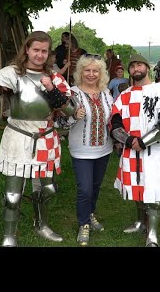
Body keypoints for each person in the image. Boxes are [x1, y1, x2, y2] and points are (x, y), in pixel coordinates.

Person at [0, 31, 73, 247]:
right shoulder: (13, 73)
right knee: (13, 195)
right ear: (27, 50)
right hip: (18, 137)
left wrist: (50, 88)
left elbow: (70, 110)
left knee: (48, 189)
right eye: (35, 49)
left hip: (46, 137)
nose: (39, 55)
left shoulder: (55, 77)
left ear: (49, 54)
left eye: (44, 51)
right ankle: (9, 236)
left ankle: (41, 224)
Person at [110, 54, 160, 247]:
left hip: (158, 152)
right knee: (137, 187)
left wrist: (144, 142)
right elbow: (115, 123)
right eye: (132, 66)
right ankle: (140, 223)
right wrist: (130, 140)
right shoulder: (124, 95)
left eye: (139, 65)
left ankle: (152, 235)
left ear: (147, 67)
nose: (135, 69)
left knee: (156, 192)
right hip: (132, 150)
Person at [56, 53, 113, 246]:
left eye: (95, 70)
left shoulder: (106, 93)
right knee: (85, 189)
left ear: (101, 73)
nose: (91, 74)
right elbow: (59, 122)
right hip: (81, 150)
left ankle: (90, 214)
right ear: (80, 72)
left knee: (95, 187)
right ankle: (83, 224)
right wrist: (74, 116)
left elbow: (113, 119)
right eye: (87, 70)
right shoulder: (72, 93)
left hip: (104, 149)